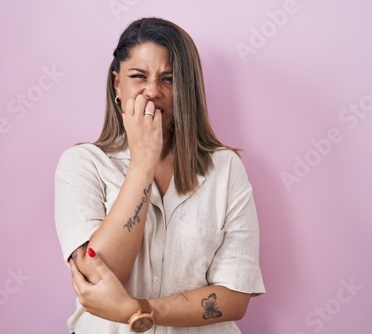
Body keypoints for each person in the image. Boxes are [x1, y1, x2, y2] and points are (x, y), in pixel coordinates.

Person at [55, 17, 265, 333]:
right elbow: (99, 275)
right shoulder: (81, 164)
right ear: (117, 84)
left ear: (187, 89)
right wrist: (142, 163)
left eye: (169, 79)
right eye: (138, 76)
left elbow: (234, 298)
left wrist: (138, 310)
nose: (152, 91)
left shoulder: (226, 169)